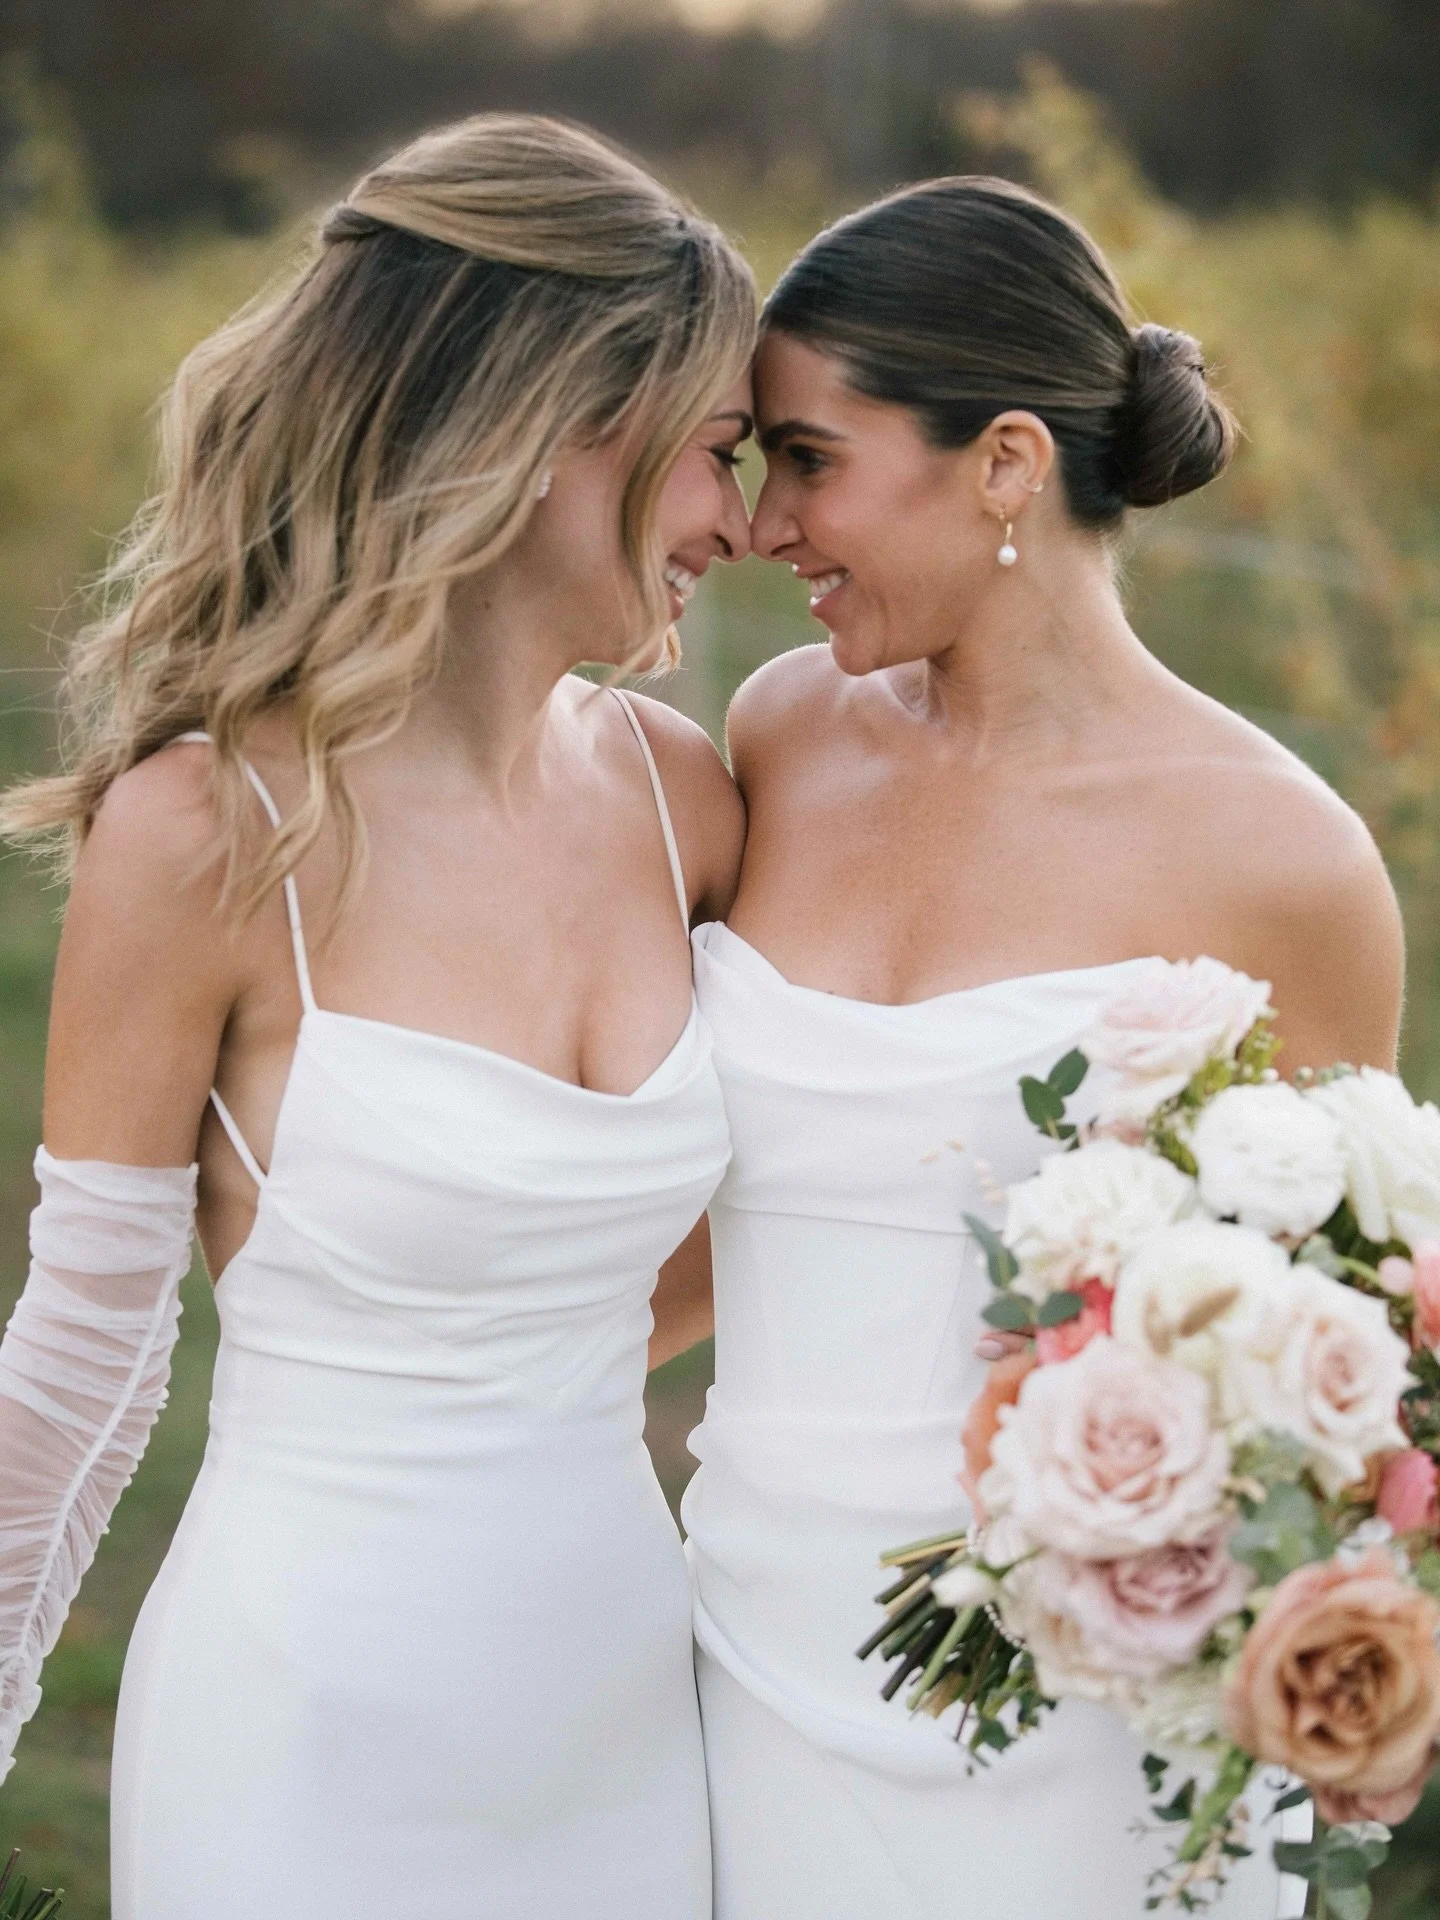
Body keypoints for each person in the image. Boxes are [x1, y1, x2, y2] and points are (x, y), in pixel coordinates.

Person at [0, 113, 755, 1918]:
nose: (744, 517)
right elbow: (85, 1364)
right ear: (566, 420)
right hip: (309, 1739)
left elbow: (764, 1212)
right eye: (720, 451)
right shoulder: (206, 833)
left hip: (631, 1715)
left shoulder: (688, 795)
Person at [683, 175, 1403, 1918]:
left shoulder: (1285, 860)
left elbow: (1334, 1361)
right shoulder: (775, 736)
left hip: (1075, 1716)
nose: (766, 522)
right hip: (738, 1651)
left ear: (1007, 460)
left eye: (808, 457)